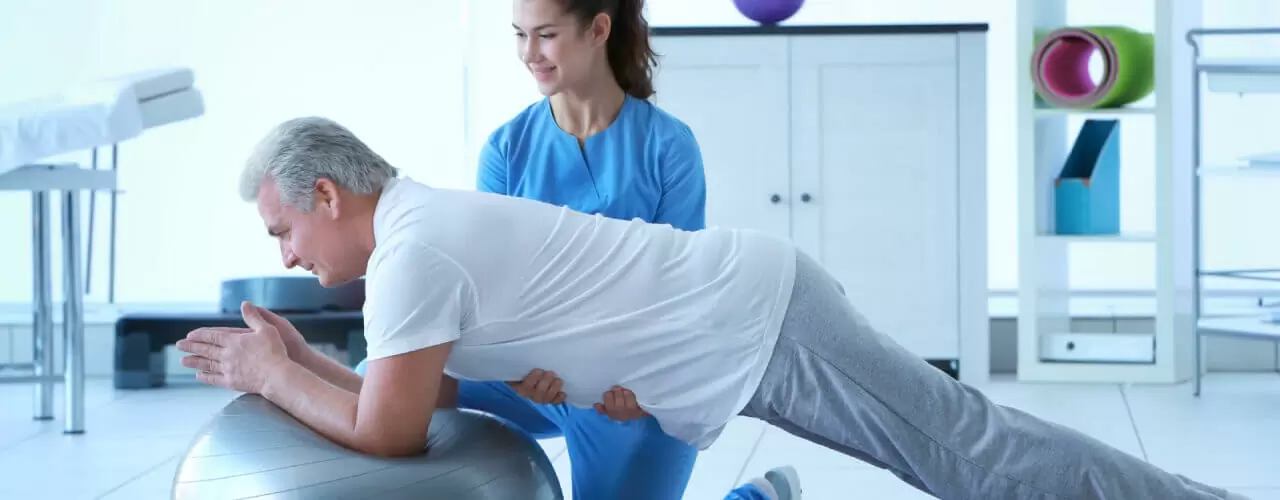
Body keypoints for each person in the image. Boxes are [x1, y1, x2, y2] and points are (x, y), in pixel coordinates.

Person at [179, 115, 1249, 500]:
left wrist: (273, 372)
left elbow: (390, 432)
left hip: (762, 324)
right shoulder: (417, 232)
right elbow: (413, 401)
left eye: (283, 230)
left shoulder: (411, 255)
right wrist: (298, 363)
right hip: (752, 321)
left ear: (329, 194)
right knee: (967, 456)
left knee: (973, 456)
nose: (288, 254)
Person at [352, 0, 796, 497]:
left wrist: (641, 388)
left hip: (627, 390)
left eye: (545, 35)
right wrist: (512, 369)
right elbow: (488, 288)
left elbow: (683, 297)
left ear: (598, 29)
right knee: (374, 379)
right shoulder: (506, 149)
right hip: (530, 379)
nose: (529, 53)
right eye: (519, 34)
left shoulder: (668, 146)